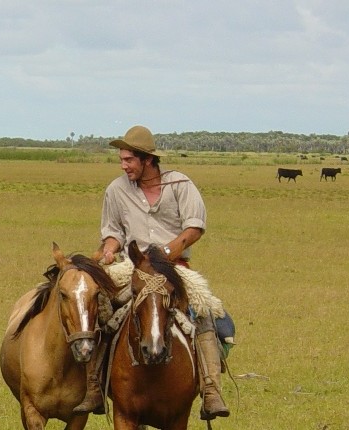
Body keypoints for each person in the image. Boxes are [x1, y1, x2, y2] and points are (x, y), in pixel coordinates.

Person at [79, 124, 229, 420]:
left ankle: (211, 390)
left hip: (172, 268)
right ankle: (94, 386)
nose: (123, 166)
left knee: (204, 313)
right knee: (101, 309)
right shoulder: (116, 190)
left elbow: (194, 227)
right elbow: (112, 233)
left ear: (147, 159)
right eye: (121, 160)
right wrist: (109, 249)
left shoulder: (180, 184)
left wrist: (165, 254)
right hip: (130, 266)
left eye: (129, 160)